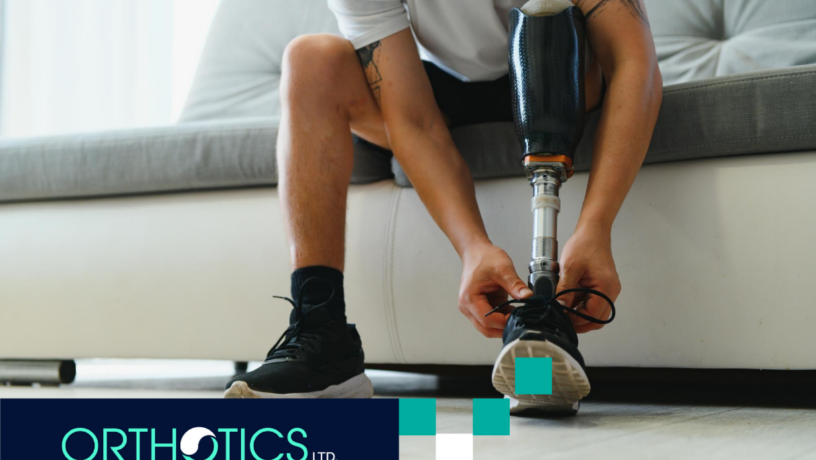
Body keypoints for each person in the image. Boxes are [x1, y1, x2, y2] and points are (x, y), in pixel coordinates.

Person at [225, 0, 662, 411]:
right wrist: (472, 247)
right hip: (445, 95)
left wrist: (596, 226)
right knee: (311, 59)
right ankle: (321, 332)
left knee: (545, 20)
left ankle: (542, 324)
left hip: (565, 72)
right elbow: (413, 119)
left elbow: (632, 61)